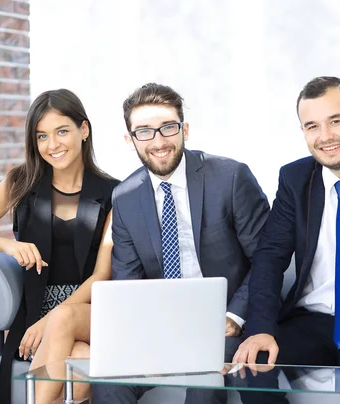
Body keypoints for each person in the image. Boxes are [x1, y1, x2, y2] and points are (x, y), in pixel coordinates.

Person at [92, 83, 270, 404]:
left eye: (168, 128)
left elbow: (268, 260)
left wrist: (234, 316)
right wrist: (143, 339)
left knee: (204, 387)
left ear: (184, 129)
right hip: (163, 327)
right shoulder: (126, 197)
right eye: (144, 132)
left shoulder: (230, 178)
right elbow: (128, 282)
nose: (158, 142)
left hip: (225, 326)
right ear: (129, 139)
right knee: (108, 382)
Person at [0, 88, 119, 404]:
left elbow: (101, 276)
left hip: (90, 313)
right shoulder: (21, 182)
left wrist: (51, 321)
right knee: (81, 370)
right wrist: (6, 246)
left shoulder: (114, 193)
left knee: (78, 354)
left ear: (84, 130)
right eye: (42, 136)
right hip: (35, 313)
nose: (52, 145)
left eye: (62, 131)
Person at [233, 76, 340, 404]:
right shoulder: (295, 179)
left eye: (335, 121)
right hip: (311, 320)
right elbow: (270, 256)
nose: (325, 137)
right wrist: (260, 327)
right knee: (252, 367)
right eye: (312, 126)